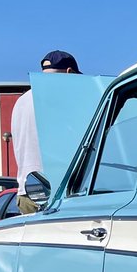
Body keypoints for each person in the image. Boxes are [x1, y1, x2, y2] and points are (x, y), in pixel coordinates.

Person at [12, 50, 81, 213]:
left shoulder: (22, 100)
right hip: (55, 194)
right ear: (70, 72)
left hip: (25, 193)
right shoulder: (60, 98)